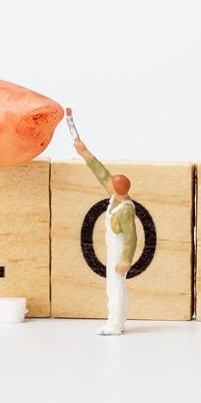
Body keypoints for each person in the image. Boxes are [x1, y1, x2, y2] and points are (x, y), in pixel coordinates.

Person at [69, 110, 137, 336]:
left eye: (111, 185)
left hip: (118, 252)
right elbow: (102, 173)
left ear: (117, 191)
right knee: (115, 286)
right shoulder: (115, 198)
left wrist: (126, 259)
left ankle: (115, 323)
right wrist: (84, 152)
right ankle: (118, 321)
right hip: (112, 249)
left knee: (115, 286)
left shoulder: (126, 210)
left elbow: (131, 237)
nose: (107, 184)